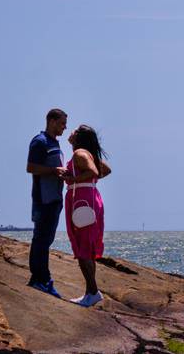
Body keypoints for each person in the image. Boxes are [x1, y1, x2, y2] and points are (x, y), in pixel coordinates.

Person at [64, 124, 111, 307]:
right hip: (90, 198)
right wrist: (87, 179)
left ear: (79, 137)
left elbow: (93, 172)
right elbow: (104, 170)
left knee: (83, 246)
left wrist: (72, 179)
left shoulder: (80, 154)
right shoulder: (87, 153)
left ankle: (93, 292)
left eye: (74, 131)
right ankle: (89, 293)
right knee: (88, 247)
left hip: (82, 200)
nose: (71, 132)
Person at [26, 108, 67, 297]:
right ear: (51, 121)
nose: (64, 127)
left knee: (46, 239)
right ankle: (39, 279)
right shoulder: (40, 142)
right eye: (61, 123)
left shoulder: (55, 143)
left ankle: (43, 278)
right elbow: (31, 167)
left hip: (55, 198)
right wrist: (54, 171)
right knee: (41, 239)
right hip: (43, 198)